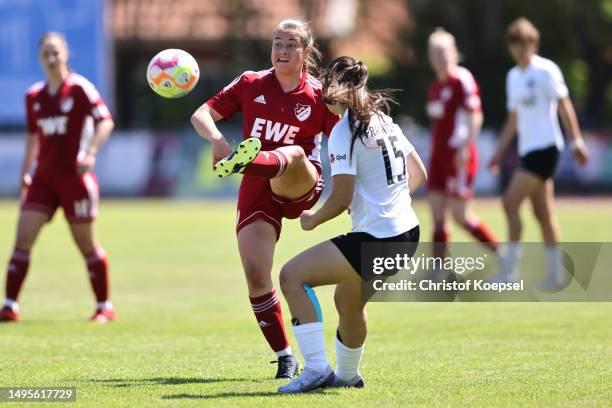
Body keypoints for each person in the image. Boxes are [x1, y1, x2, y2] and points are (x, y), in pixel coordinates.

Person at [190, 19, 338, 379]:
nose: (281, 51)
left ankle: (251, 160)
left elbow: (345, 140)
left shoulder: (319, 95)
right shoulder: (251, 83)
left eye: (290, 45)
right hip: (257, 188)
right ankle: (286, 356)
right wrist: (217, 140)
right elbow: (201, 113)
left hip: (300, 183)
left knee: (296, 155)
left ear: (305, 53)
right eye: (277, 44)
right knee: (257, 274)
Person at [277, 56, 427, 393]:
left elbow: (341, 197)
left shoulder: (344, 129)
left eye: (325, 85)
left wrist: (312, 219)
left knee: (292, 276)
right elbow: (419, 174)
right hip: (408, 234)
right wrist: (387, 203)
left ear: (334, 89)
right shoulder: (384, 120)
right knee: (348, 301)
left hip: (378, 238)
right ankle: (347, 377)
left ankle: (316, 370)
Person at [0, 32, 116, 323]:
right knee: (23, 237)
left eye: (56, 52)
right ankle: (10, 305)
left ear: (66, 54)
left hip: (75, 179)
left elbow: (106, 122)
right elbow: (32, 137)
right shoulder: (34, 96)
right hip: (43, 180)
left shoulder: (79, 89)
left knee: (86, 245)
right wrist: (26, 171)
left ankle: (104, 306)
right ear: (40, 58)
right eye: (46, 54)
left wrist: (90, 154)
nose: (52, 59)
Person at [489, 18, 589, 288]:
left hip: (546, 149)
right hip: (528, 151)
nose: (522, 50)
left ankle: (510, 271)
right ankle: (556, 276)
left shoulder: (546, 70)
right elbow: (513, 119)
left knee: (510, 202)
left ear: (534, 44)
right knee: (543, 213)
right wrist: (498, 152)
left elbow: (564, 104)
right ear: (511, 46)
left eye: (526, 44)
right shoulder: (513, 77)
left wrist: (577, 141)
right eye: (517, 44)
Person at [426, 28, 498, 268]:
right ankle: (439, 269)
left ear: (455, 52)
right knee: (437, 216)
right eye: (436, 52)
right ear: (430, 56)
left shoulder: (462, 79)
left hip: (458, 155)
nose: (441, 56)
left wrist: (466, 147)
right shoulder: (435, 87)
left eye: (445, 51)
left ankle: (503, 255)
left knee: (461, 217)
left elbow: (475, 114)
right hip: (438, 157)